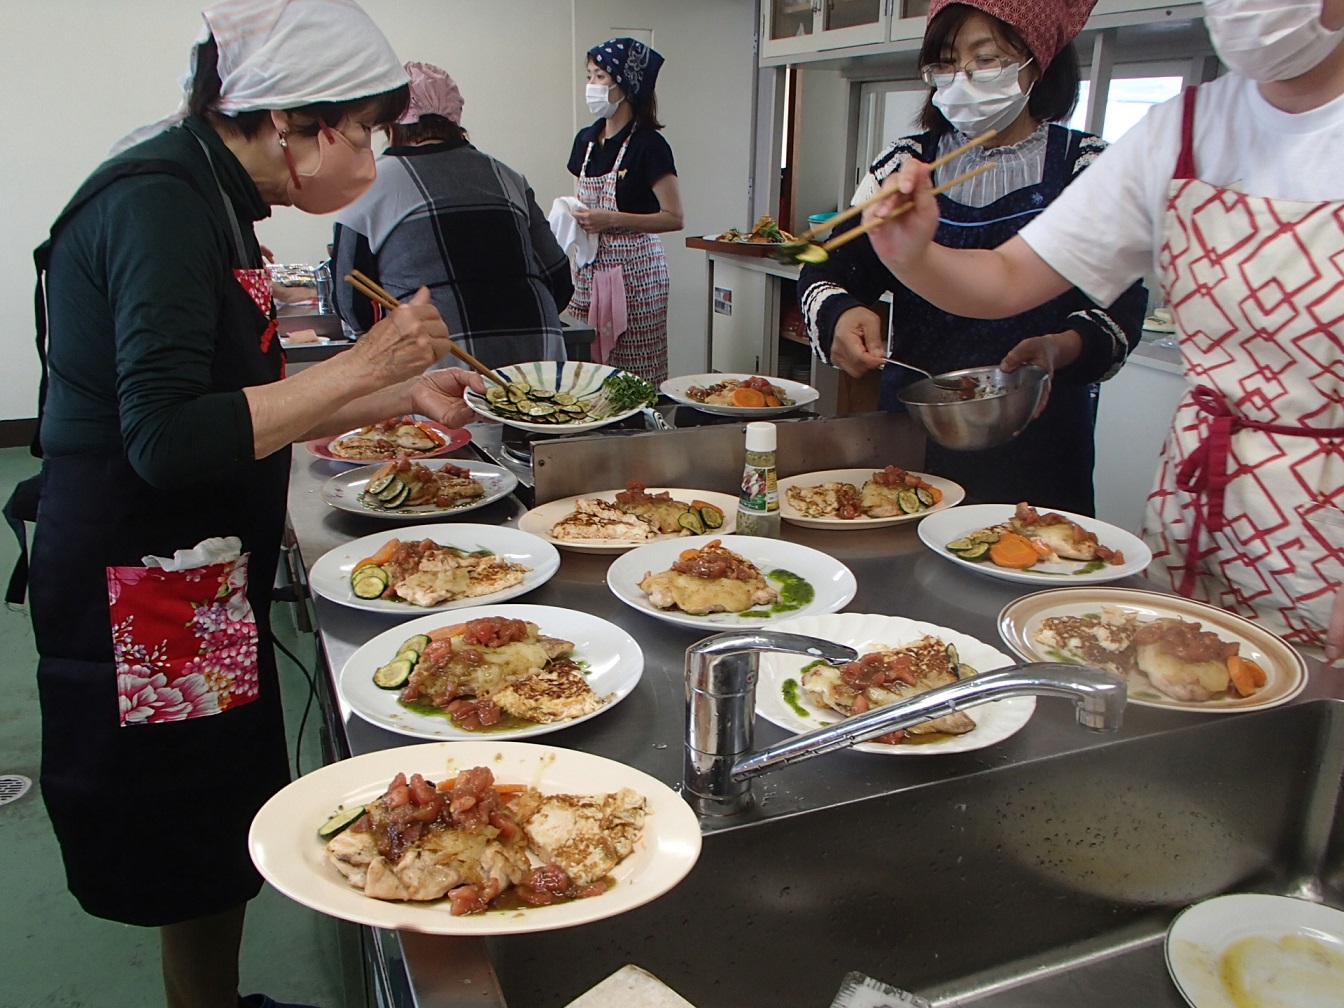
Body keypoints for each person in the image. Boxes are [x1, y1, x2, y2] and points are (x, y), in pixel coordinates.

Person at [15, 3, 480, 1007]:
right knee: (184, 837)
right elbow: (168, 434)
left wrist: (386, 391)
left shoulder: (205, 190)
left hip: (187, 567)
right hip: (144, 582)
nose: (369, 153)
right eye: (360, 131)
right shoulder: (162, 204)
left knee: (212, 822)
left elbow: (237, 393)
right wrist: (366, 359)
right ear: (289, 123)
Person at [862, 0, 1344, 658]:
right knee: (1188, 698)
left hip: (1329, 514)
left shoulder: (1084, 153)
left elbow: (1114, 309)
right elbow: (1007, 277)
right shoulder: (1182, 129)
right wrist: (911, 252)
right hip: (1203, 495)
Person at [799, 0, 1147, 516]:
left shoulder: (1090, 169)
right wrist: (839, 313)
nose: (960, 79)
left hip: (1040, 437)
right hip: (916, 426)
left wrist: (1062, 346)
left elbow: (1120, 306)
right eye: (944, 63)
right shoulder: (905, 165)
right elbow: (821, 259)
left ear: (1037, 60)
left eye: (985, 60)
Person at [334, 61, 574, 370]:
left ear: (389, 124)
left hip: (439, 355)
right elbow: (558, 278)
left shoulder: (365, 184)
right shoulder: (507, 176)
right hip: (536, 350)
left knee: (444, 422)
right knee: (536, 417)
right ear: (454, 119)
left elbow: (352, 303)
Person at [565, 38, 684, 384]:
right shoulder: (585, 141)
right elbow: (580, 199)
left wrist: (611, 219)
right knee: (585, 371)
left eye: (600, 77)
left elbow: (674, 217)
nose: (591, 86)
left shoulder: (650, 145)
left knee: (633, 376)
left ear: (625, 85)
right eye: (589, 76)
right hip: (587, 272)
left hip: (637, 277)